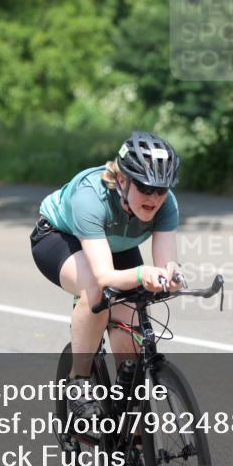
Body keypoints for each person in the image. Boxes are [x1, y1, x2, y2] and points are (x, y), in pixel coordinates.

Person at [30, 131, 183, 421]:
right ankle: (79, 380)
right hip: (60, 236)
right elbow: (103, 276)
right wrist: (141, 273)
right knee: (96, 292)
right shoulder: (92, 197)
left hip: (114, 244)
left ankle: (132, 423)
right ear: (123, 180)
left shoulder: (167, 204)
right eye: (144, 187)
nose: (154, 197)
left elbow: (165, 265)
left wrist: (170, 276)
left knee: (133, 320)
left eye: (161, 190)